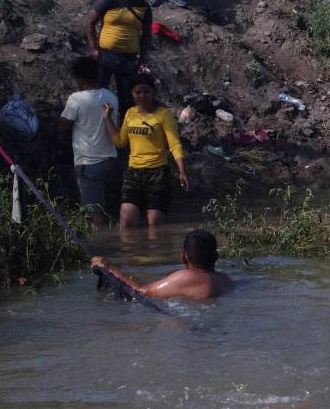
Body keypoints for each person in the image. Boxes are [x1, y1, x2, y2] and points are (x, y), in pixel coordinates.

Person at [101, 73, 189, 228]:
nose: (142, 96)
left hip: (157, 174)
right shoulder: (130, 113)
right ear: (132, 93)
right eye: (138, 92)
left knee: (154, 223)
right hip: (133, 173)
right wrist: (107, 118)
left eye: (146, 92)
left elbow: (174, 144)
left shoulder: (164, 114)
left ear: (153, 92)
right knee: (127, 222)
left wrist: (182, 171)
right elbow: (120, 142)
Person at [58, 56, 120, 225]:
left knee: (95, 214)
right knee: (111, 210)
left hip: (89, 164)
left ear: (79, 78)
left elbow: (62, 127)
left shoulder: (76, 99)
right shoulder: (111, 96)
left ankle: (101, 240)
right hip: (111, 160)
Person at [91, 229, 233, 301]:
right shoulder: (225, 279)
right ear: (216, 258)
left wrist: (109, 267)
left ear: (184, 257)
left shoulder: (184, 278)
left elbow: (140, 292)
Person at [85, 0, 152, 113]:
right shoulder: (110, 0)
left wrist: (141, 58)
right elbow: (90, 24)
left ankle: (123, 126)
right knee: (98, 96)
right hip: (105, 56)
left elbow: (147, 35)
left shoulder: (144, 7)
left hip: (128, 59)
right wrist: (94, 50)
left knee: (127, 100)